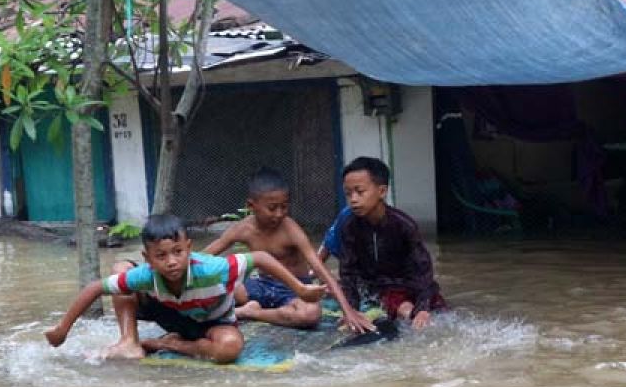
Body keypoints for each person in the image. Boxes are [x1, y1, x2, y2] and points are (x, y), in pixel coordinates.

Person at [44, 213, 325, 364]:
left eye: (178, 252)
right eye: (162, 256)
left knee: (229, 349)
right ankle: (129, 342)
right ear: (148, 259)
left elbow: (261, 258)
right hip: (170, 311)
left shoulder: (210, 268)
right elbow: (94, 288)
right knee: (120, 270)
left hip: (212, 320)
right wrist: (62, 330)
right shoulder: (147, 274)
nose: (172, 262)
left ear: (189, 249)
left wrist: (301, 289)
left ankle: (170, 343)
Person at [203, 168, 375, 333]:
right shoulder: (242, 229)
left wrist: (348, 310)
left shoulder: (290, 229)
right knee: (217, 289)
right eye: (272, 208)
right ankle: (257, 308)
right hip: (261, 285)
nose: (279, 214)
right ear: (251, 205)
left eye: (284, 207)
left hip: (294, 289)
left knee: (310, 314)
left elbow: (319, 268)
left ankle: (251, 312)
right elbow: (204, 257)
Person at [337, 156, 447, 330]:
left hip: (410, 284)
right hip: (381, 290)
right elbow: (347, 272)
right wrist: (351, 310)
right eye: (348, 194)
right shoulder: (349, 227)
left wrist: (423, 307)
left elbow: (423, 269)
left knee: (438, 308)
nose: (353, 199)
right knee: (400, 306)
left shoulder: (404, 225)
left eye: (359, 191)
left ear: (382, 191)